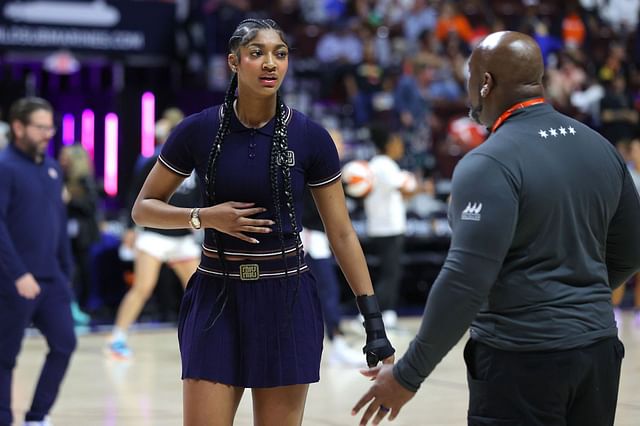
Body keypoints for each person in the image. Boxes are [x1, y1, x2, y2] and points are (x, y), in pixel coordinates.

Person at [352, 31, 640, 426]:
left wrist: (408, 374)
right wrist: (574, 297)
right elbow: (631, 249)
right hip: (597, 355)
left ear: (485, 83)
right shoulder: (601, 147)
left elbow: (464, 281)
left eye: (471, 75)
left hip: (521, 361)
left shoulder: (488, 162)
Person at [130, 18, 395, 425]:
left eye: (280, 54)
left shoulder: (311, 138)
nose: (270, 63)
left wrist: (373, 322)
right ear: (234, 62)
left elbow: (341, 233)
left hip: (286, 298)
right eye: (257, 54)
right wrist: (203, 217)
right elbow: (144, 207)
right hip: (216, 295)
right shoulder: (197, 130)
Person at [0, 97, 77, 426]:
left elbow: (57, 222)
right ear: (18, 127)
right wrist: (17, 274)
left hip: (52, 278)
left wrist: (66, 271)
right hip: (14, 278)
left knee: (64, 344)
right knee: (5, 356)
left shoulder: (52, 168)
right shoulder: (4, 167)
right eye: (41, 127)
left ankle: (37, 417)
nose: (49, 133)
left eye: (51, 127)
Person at [107, 115, 200, 360]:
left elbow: (200, 196)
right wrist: (129, 228)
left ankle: (205, 340)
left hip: (182, 237)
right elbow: (135, 194)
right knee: (143, 287)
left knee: (200, 289)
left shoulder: (196, 163)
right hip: (154, 235)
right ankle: (117, 337)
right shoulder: (153, 161)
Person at [301, 128, 364, 367]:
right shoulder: (312, 167)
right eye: (336, 142)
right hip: (307, 236)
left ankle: (335, 341)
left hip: (318, 236)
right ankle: (336, 343)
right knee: (325, 290)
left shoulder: (333, 170)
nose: (342, 147)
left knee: (326, 291)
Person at [364, 124, 416, 328]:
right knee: (390, 274)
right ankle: (380, 313)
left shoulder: (374, 164)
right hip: (389, 228)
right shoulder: (385, 164)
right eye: (395, 142)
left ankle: (381, 313)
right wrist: (414, 184)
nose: (399, 146)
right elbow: (407, 187)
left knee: (386, 273)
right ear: (387, 144)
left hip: (379, 226)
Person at [612, 137, 640, 327]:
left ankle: (638, 309)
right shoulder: (626, 173)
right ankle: (613, 309)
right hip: (627, 229)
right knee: (621, 270)